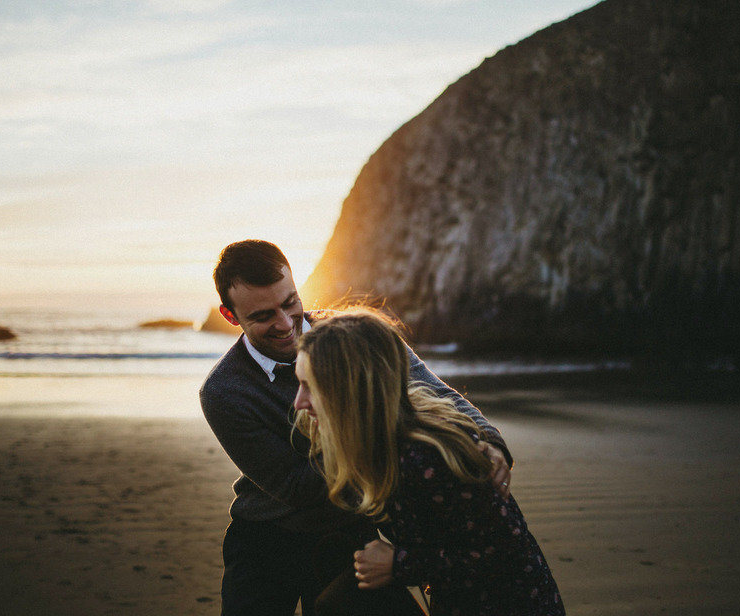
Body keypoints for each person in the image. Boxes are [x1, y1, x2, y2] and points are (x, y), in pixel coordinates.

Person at [199, 240, 513, 615]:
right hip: (265, 539)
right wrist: (375, 433)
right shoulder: (223, 391)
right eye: (263, 316)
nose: (286, 325)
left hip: (351, 528)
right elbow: (298, 487)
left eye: (289, 303)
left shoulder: (355, 335)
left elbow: (434, 391)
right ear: (231, 316)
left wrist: (489, 438)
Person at [292, 308, 566, 615]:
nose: (298, 402)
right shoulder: (374, 449)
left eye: (309, 387)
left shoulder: (425, 459)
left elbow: (504, 553)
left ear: (351, 390)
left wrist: (399, 564)